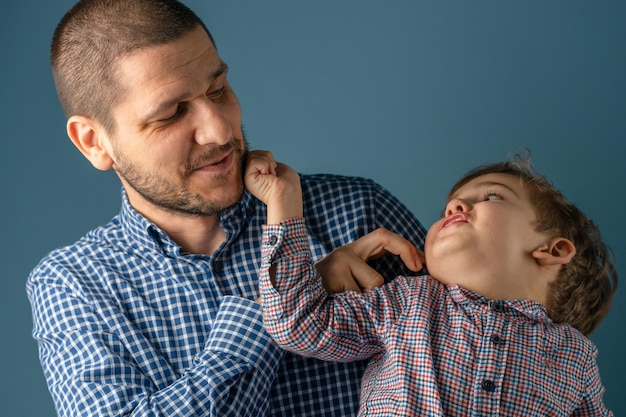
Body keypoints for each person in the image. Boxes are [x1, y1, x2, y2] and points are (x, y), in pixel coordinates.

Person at [25, 1, 428, 416]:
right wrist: (290, 297)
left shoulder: (357, 211)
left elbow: (489, 351)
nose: (219, 130)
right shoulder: (73, 286)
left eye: (218, 90)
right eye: (172, 113)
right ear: (94, 141)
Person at [246, 152, 618, 416]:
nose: (455, 205)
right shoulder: (408, 300)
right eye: (448, 208)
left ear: (552, 250)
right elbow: (297, 323)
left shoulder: (576, 359)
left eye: (491, 196)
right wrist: (283, 203)